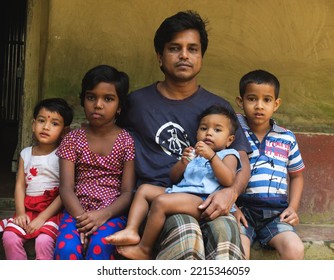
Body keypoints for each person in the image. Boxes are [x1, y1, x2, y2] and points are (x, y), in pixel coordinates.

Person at [115, 10, 252, 260]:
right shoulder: (136, 103)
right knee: (185, 230)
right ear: (160, 56)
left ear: (201, 56)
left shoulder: (218, 108)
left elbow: (242, 163)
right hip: (157, 205)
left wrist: (230, 194)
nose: (184, 56)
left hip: (209, 201)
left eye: (193, 49)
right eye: (174, 48)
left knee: (226, 230)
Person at [106, 105, 242, 259]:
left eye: (217, 130)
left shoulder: (229, 154)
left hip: (204, 200)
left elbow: (229, 179)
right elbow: (174, 178)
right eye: (204, 128)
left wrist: (212, 157)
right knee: (144, 190)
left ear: (229, 140)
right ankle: (131, 229)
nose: (209, 133)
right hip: (181, 192)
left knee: (161, 202)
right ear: (197, 132)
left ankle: (144, 248)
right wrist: (183, 163)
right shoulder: (195, 154)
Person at [53, 65, 136, 260]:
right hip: (76, 211)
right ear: (83, 100)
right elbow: (66, 188)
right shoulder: (73, 139)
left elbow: (126, 193)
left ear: (120, 106)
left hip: (111, 212)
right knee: (67, 248)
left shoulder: (126, 141)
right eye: (91, 97)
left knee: (101, 245)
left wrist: (103, 215)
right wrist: (83, 220)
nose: (98, 104)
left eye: (108, 99)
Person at [233, 69, 305, 259]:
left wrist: (293, 208)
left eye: (266, 100)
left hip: (276, 214)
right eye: (251, 99)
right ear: (240, 102)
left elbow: (296, 176)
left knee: (295, 248)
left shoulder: (286, 137)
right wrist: (232, 207)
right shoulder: (234, 131)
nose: (259, 106)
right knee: (239, 249)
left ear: (276, 104)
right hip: (241, 211)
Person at [2, 98, 73, 260]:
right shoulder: (25, 154)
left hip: (52, 211)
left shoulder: (62, 156)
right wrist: (20, 212)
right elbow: (20, 186)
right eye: (41, 121)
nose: (46, 127)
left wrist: (42, 218)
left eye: (55, 124)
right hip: (28, 208)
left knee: (44, 240)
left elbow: (65, 191)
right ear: (33, 124)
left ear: (64, 131)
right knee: (9, 237)